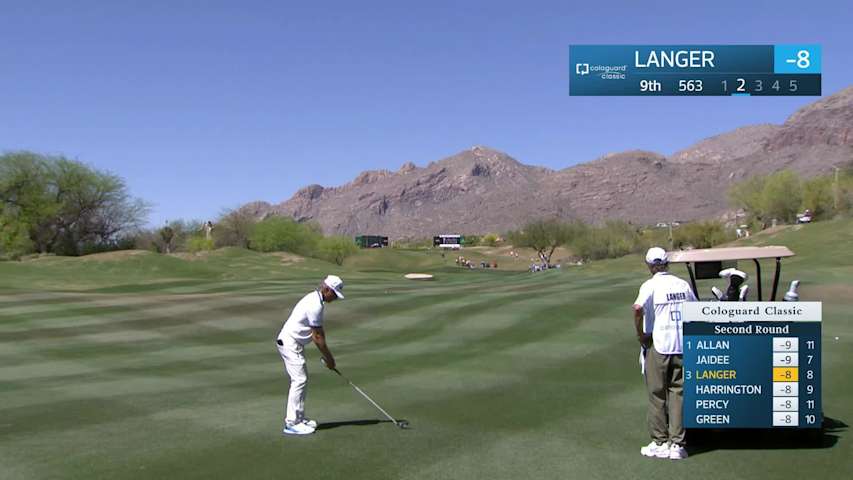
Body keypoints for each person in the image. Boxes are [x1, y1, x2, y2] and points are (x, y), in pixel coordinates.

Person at [633, 247, 696, 460]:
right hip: (682, 345)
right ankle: (677, 444)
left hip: (659, 345)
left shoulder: (650, 285)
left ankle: (659, 442)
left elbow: (637, 308)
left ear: (650, 265)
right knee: (678, 394)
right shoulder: (682, 284)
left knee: (657, 394)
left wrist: (641, 335)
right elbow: (695, 310)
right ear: (667, 263)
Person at [276, 275, 345, 435]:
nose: (334, 298)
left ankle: (299, 418)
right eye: (334, 294)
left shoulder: (314, 298)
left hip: (294, 343)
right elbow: (318, 337)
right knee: (299, 379)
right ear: (326, 289)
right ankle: (292, 423)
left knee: (301, 379)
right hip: (289, 342)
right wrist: (330, 359)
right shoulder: (315, 305)